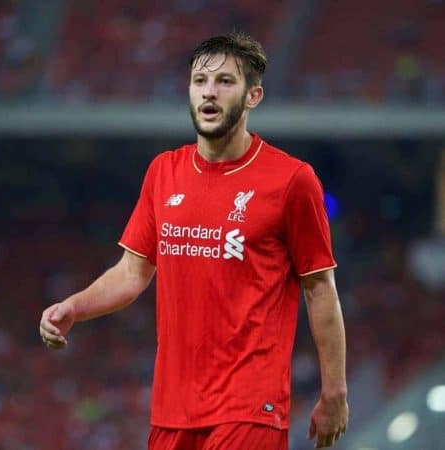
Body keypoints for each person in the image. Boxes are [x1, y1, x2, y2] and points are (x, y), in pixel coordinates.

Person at [39, 32, 348, 450]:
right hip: (172, 411)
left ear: (253, 96)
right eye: (200, 81)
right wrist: (75, 306)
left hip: (249, 409)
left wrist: (335, 393)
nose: (210, 92)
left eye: (225, 81)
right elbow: (132, 273)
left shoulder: (292, 180)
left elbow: (319, 288)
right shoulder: (163, 172)